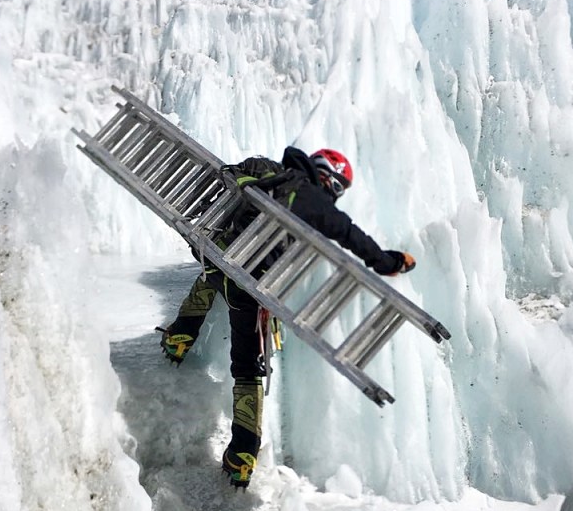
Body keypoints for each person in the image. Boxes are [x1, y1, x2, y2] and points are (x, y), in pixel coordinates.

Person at [159, 146, 416, 489]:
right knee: (248, 365)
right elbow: (360, 244)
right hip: (249, 283)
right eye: (337, 188)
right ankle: (242, 454)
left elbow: (225, 177)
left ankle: (179, 337)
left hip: (216, 254)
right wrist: (393, 262)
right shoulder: (318, 207)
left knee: (210, 280)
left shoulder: (264, 168)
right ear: (328, 179)